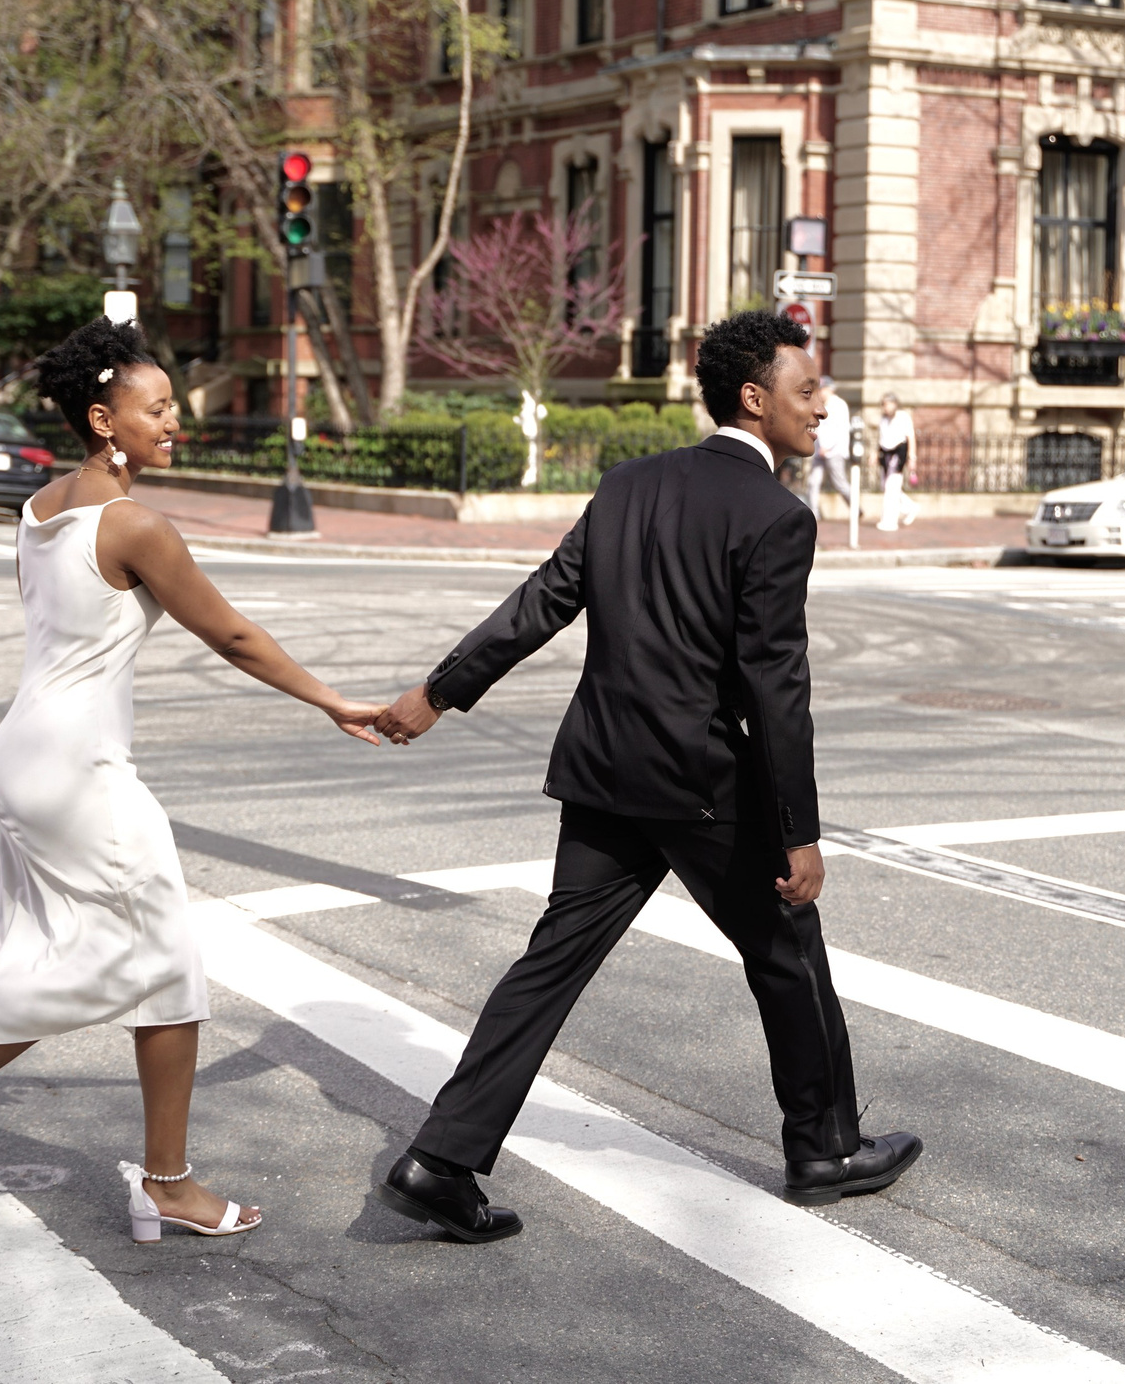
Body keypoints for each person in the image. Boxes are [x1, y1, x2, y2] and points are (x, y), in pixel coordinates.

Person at [0, 318, 384, 1252]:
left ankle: (157, 1179)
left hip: (20, 761)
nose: (173, 426)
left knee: (118, 968)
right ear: (105, 419)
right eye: (157, 412)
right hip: (77, 774)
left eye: (173, 411)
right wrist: (332, 700)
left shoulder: (39, 510)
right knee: (128, 970)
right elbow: (228, 634)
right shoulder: (137, 526)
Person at [368, 309, 920, 1243]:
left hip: (602, 772)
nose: (822, 406)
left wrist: (438, 693)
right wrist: (799, 830)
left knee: (548, 967)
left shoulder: (628, 484)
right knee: (789, 950)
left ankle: (440, 1158)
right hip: (702, 781)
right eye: (806, 388)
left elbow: (539, 603)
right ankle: (824, 1145)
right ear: (755, 398)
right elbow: (775, 688)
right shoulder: (778, 516)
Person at [803, 374, 853, 518]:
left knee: (840, 483)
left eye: (823, 389)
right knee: (813, 482)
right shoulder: (820, 404)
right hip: (820, 451)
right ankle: (814, 513)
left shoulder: (839, 405)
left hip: (834, 451)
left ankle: (855, 507)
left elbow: (840, 429)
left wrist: (828, 447)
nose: (821, 392)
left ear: (830, 389)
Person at [875, 392, 916, 532]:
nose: (886, 407)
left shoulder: (903, 417)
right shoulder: (883, 419)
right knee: (888, 486)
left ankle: (890, 521)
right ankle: (910, 507)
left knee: (892, 486)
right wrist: (875, 454)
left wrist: (912, 457)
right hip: (885, 454)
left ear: (895, 404)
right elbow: (880, 438)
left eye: (888, 404)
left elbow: (910, 437)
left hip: (899, 453)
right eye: (884, 404)